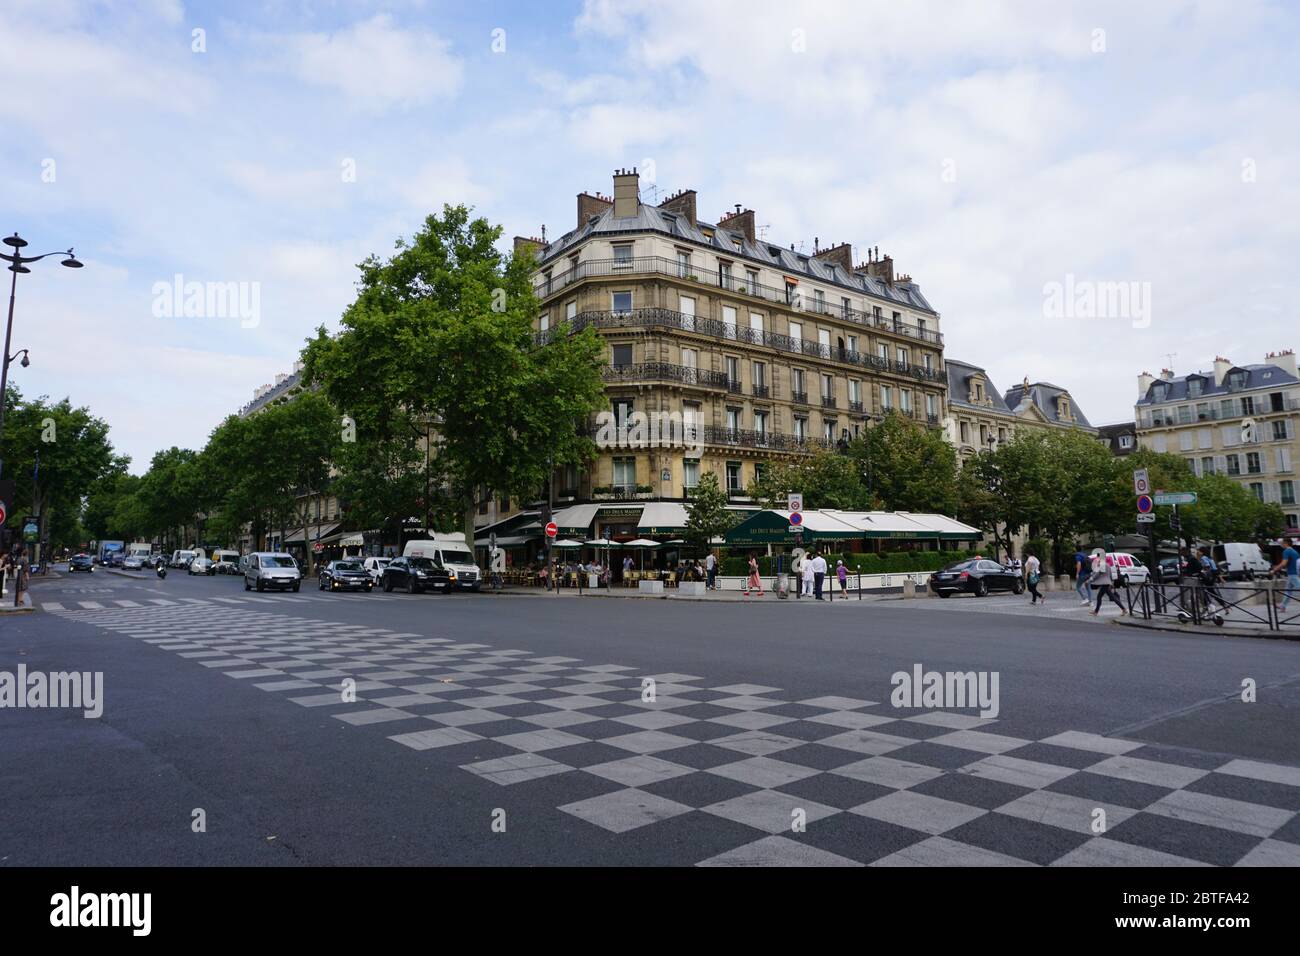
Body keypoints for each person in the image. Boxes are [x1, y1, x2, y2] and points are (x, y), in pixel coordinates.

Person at [1089, 548, 1126, 616]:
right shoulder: (1107, 565)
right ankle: (1123, 609)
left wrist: (1091, 579)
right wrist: (1111, 582)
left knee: (1100, 597)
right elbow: (1110, 575)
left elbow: (1099, 573)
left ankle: (1096, 612)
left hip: (1105, 584)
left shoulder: (1102, 564)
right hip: (1107, 583)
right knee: (1111, 597)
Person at [1272, 536, 1299, 613]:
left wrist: (1274, 569)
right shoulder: (1295, 551)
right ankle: (1283, 606)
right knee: (1288, 591)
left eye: (1282, 543)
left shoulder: (1286, 551)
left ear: (1286, 543)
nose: (1281, 544)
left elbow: (1284, 563)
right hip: (1295, 573)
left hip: (1292, 574)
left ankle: (1283, 606)